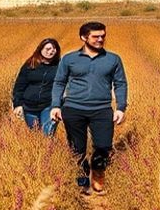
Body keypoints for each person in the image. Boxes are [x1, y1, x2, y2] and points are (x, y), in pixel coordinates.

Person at [50, 22, 127, 195]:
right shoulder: (69, 59)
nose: (100, 39)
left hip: (101, 109)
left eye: (103, 36)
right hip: (73, 108)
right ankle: (82, 181)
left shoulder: (113, 59)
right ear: (84, 37)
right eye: (96, 36)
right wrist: (55, 105)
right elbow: (59, 82)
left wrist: (121, 107)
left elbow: (120, 83)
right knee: (77, 148)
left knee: (103, 146)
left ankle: (98, 175)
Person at [12, 38, 61, 135]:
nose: (51, 51)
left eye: (54, 49)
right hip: (29, 107)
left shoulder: (60, 65)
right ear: (40, 50)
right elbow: (19, 86)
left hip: (49, 105)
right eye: (48, 49)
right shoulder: (30, 64)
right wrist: (17, 104)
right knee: (35, 134)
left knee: (48, 133)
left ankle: (49, 150)